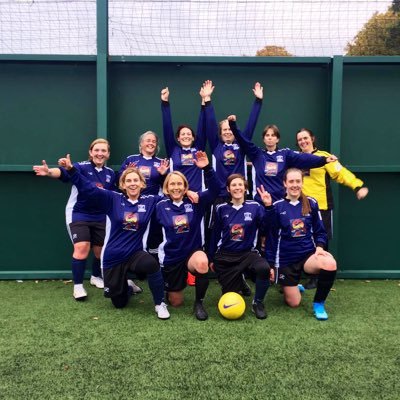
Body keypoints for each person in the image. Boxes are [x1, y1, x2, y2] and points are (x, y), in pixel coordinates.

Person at [57, 154, 170, 319]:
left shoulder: (150, 201)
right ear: (122, 184)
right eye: (129, 181)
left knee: (152, 265)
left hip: (134, 254)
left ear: (142, 183)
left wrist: (188, 191)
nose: (132, 184)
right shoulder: (113, 198)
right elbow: (88, 188)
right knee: (119, 303)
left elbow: (175, 194)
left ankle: (160, 304)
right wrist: (72, 170)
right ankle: (127, 286)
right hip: (112, 257)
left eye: (135, 180)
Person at [32, 139, 142, 301]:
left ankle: (96, 276)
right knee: (82, 247)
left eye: (103, 151)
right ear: (91, 152)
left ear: (108, 154)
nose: (100, 153)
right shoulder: (80, 167)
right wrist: (49, 172)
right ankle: (78, 286)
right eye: (96, 150)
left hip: (101, 216)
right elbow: (62, 172)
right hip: (79, 214)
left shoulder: (110, 173)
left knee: (101, 251)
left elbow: (114, 195)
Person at [260, 168, 337, 320]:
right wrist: (270, 265)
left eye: (298, 181)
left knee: (330, 264)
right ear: (285, 184)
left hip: (307, 255)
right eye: (291, 181)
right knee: (294, 303)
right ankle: (292, 285)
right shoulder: (277, 206)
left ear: (302, 183)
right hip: (286, 260)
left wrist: (319, 248)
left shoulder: (311, 203)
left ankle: (319, 303)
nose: (295, 185)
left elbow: (320, 232)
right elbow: (269, 236)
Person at [296, 127, 369, 289]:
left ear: (312, 138)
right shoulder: (296, 158)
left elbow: (341, 173)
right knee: (301, 240)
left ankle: (320, 276)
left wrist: (358, 186)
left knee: (321, 241)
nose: (303, 141)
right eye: (300, 139)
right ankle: (301, 275)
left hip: (321, 207)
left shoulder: (325, 157)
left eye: (305, 138)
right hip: (301, 208)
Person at [156, 151, 219, 321]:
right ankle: (169, 286)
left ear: (185, 187)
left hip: (192, 252)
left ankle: (199, 303)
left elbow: (216, 190)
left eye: (179, 184)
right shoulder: (159, 204)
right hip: (172, 256)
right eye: (172, 184)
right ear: (166, 188)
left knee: (202, 262)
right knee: (176, 302)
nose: (176, 187)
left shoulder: (195, 201)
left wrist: (207, 168)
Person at [209, 174, 274, 319]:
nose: (237, 187)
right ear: (228, 189)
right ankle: (240, 282)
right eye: (233, 185)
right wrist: (211, 257)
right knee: (230, 296)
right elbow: (214, 234)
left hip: (248, 253)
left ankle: (257, 303)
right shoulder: (221, 208)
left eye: (240, 185)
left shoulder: (255, 207)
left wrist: (268, 207)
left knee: (263, 268)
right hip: (226, 255)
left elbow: (266, 228)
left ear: (245, 188)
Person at [161, 86, 207, 286]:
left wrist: (204, 102)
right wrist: (165, 104)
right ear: (178, 138)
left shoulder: (199, 149)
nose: (186, 136)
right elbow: (166, 127)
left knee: (197, 233)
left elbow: (204, 126)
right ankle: (174, 267)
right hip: (177, 196)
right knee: (176, 232)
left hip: (196, 198)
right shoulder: (173, 150)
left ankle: (194, 269)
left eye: (189, 134)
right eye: (183, 134)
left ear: (193, 137)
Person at [202, 80, 263, 198]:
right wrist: (207, 99)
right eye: (225, 130)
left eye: (230, 129)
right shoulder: (216, 145)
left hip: (240, 193)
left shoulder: (242, 143)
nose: (228, 132)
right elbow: (210, 122)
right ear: (220, 133)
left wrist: (258, 101)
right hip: (220, 195)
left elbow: (251, 124)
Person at [118, 131, 168, 259]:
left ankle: (152, 265)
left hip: (152, 204)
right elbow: (120, 180)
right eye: (148, 140)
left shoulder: (161, 162)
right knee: (132, 232)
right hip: (132, 204)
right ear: (141, 144)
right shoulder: (131, 159)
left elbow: (167, 185)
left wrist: (163, 174)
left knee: (153, 235)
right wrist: (127, 171)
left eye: (153, 141)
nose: (151, 143)